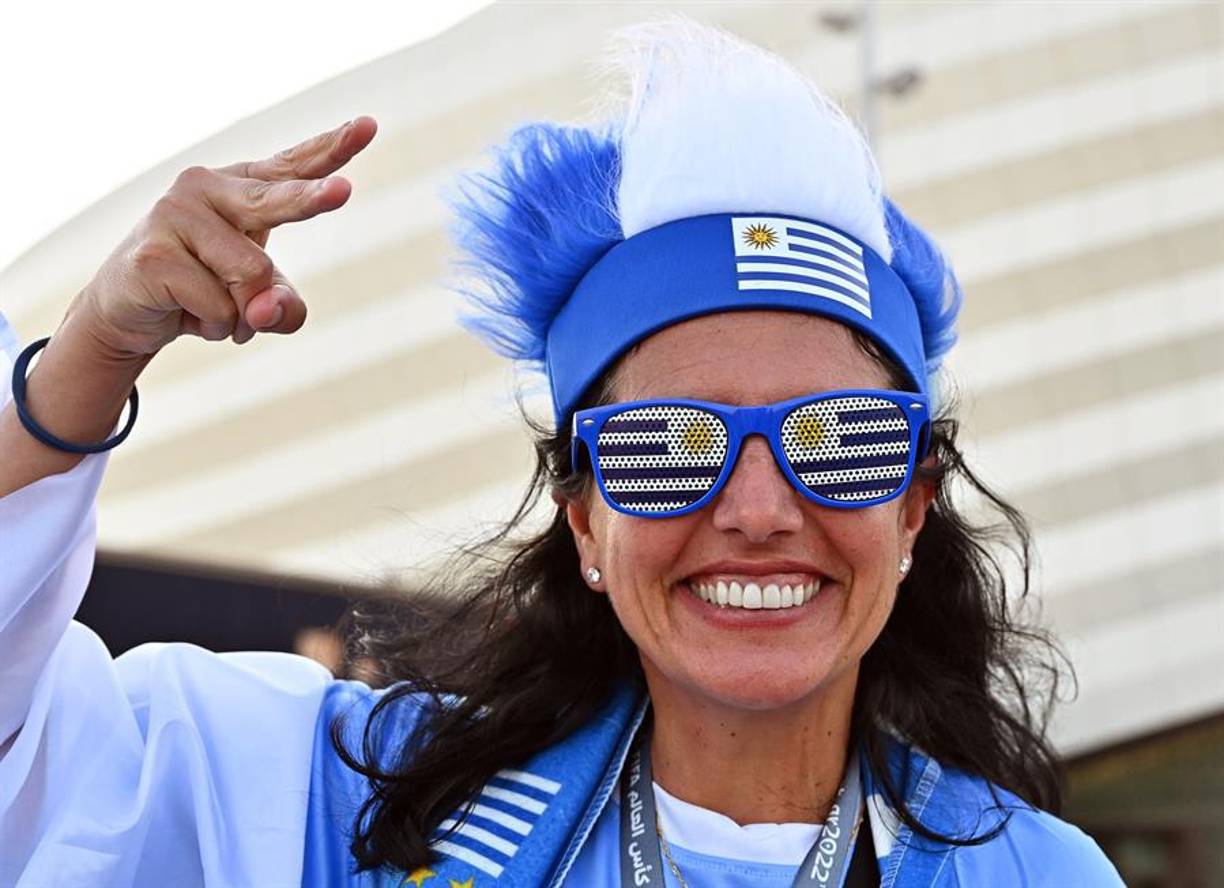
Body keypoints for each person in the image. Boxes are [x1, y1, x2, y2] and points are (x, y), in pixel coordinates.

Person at [0, 19, 1123, 888]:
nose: (759, 507)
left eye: (839, 440)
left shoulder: (1038, 872)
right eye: (667, 448)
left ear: (914, 508)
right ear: (583, 522)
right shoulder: (350, 803)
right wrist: (88, 358)